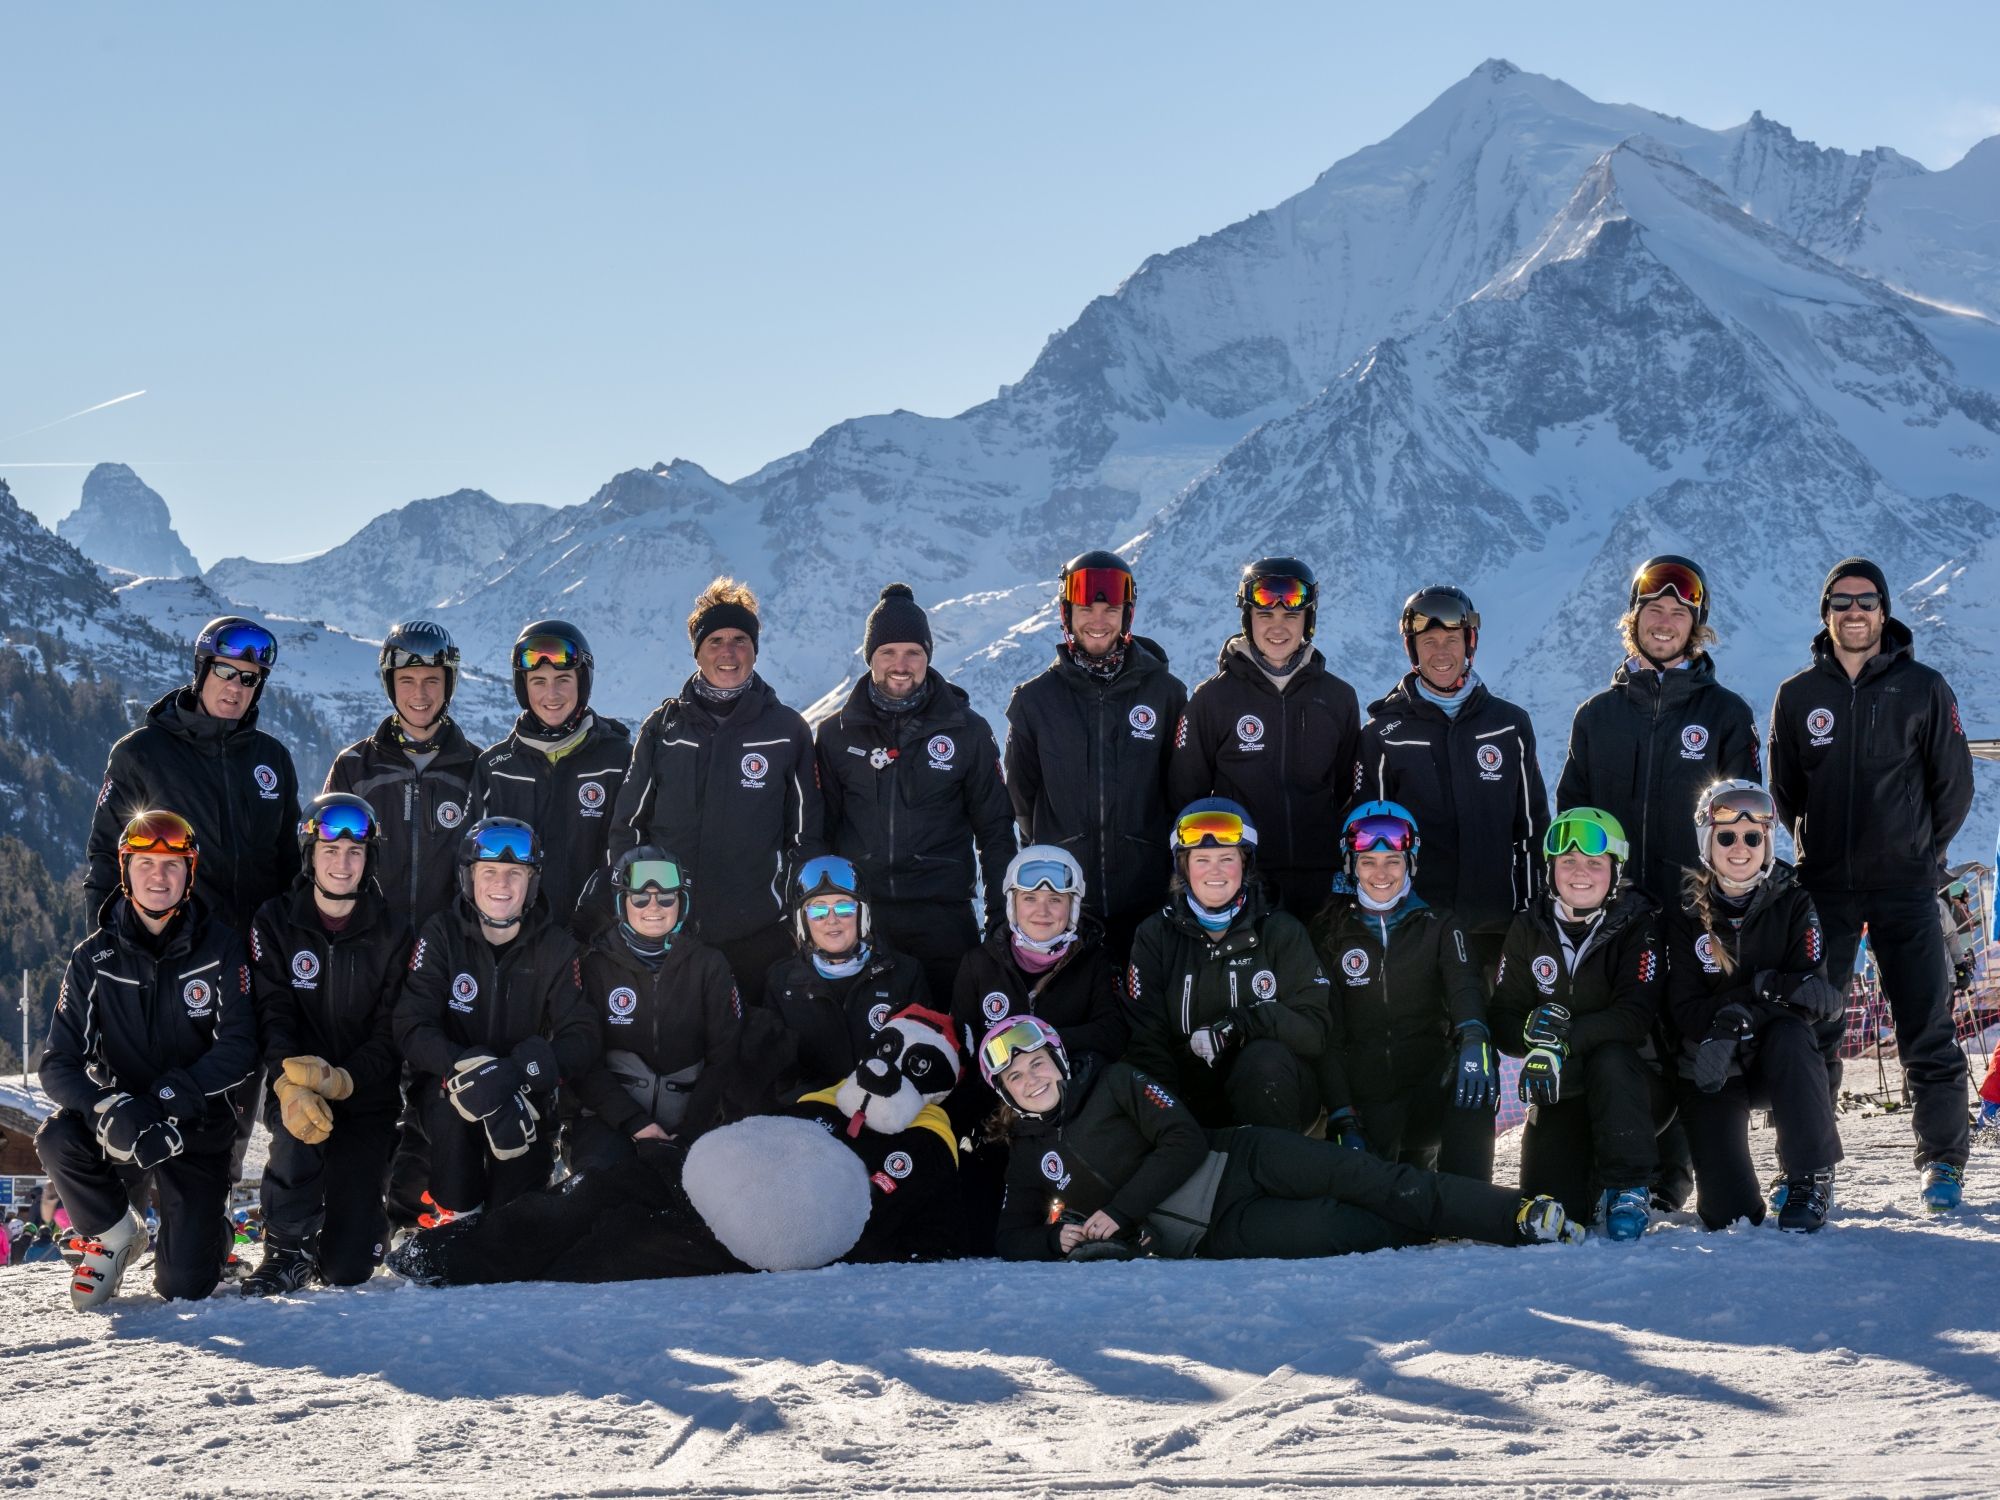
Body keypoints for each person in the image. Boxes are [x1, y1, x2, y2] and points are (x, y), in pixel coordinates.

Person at [387, 1004, 966, 1287]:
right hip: (702, 1178)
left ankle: (520, 1273)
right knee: (589, 1192)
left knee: (613, 1251)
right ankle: (455, 1252)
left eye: (914, 1064)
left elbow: (878, 1215)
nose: (889, 1070)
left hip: (744, 1233)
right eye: (889, 1051)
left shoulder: (926, 1137)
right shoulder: (829, 1096)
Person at [983, 1017, 1581, 1262]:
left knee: (1376, 1180)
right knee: (1341, 1228)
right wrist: (1053, 1238)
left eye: (1037, 1064)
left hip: (1241, 1158)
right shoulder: (1028, 1156)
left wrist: (1117, 1210)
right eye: (1016, 1077)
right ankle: (1446, 1224)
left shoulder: (1114, 1082)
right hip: (1214, 1230)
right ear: (1006, 1094)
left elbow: (1183, 1140)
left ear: (1058, 1061)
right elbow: (1009, 1236)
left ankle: (1517, 1215)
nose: (1032, 1080)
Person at [1769, 558, 1977, 1211]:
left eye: (1866, 601)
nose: (1854, 611)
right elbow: (1786, 791)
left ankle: (1942, 1163)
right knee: (1814, 1031)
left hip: (1905, 887)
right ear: (1826, 612)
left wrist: (1921, 854)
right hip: (1824, 890)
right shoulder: (1798, 695)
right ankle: (1808, 1168)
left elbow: (1954, 785)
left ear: (1884, 611)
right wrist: (1816, 851)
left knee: (1927, 1028)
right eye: (1841, 601)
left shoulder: (1924, 687)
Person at [36, 811, 257, 1308]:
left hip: (195, 1125)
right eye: (145, 864)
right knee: (57, 1137)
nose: (159, 876)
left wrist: (163, 1102)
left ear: (189, 873)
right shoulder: (93, 958)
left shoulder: (221, 947)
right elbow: (58, 1062)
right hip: (122, 1121)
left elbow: (240, 1047)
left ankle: (213, 1233)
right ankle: (113, 1233)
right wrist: (106, 1109)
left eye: (172, 865)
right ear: (126, 871)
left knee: (183, 1287)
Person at [609, 579, 824, 1007]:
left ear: (755, 649)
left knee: (758, 1039)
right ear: (698, 652)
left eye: (740, 640)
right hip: (671, 933)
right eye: (715, 641)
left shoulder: (786, 730)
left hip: (759, 936)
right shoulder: (664, 729)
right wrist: (635, 905)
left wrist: (791, 914)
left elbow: (806, 836)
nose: (728, 652)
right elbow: (628, 827)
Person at [242, 794, 411, 1294]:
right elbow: (273, 1015)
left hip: (367, 1098)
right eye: (330, 850)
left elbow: (392, 1031)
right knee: (297, 1133)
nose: (342, 863)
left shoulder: (394, 931)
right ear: (310, 855)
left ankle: (362, 1216)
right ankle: (286, 1251)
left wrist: (344, 1079)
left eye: (355, 852)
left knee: (347, 1268)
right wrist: (288, 1082)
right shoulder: (275, 922)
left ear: (369, 859)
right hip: (298, 1085)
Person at [815, 583, 1016, 1000]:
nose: (900, 665)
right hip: (862, 919)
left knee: (949, 1027)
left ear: (928, 656)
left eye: (913, 653)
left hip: (943, 918)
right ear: (870, 657)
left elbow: (996, 830)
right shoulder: (836, 734)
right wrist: (819, 914)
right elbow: (821, 833)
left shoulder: (967, 730)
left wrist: (1000, 918)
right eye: (888, 652)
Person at [393, 817, 597, 1226]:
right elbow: (412, 1024)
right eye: (489, 872)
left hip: (525, 1098)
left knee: (513, 1220)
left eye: (514, 873)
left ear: (531, 882)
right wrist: (471, 1068)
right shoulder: (443, 934)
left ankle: (506, 1219)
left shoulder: (556, 948)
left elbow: (582, 1036)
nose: (502, 884)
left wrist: (516, 1073)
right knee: (458, 1111)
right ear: (469, 879)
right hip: (448, 1091)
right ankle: (456, 1217)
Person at [1663, 782, 1846, 1232]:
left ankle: (1810, 1177)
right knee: (1727, 1214)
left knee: (1792, 1036)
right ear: (1708, 842)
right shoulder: (1684, 914)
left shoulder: (1794, 902)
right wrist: (1766, 991)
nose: (1740, 848)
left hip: (1774, 1059)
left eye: (1752, 837)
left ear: (1767, 843)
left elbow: (1808, 999)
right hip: (1713, 1060)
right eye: (1726, 837)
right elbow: (1684, 1008)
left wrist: (1741, 1014)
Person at [1489, 808, 1669, 1241]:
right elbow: (1503, 1015)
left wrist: (1559, 1043)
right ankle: (1590, 1184)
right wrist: (1528, 1033)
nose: (1580, 872)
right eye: (1567, 861)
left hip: (1635, 1089)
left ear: (1615, 870)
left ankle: (1629, 1185)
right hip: (1562, 1090)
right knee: (1551, 1206)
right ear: (1551, 869)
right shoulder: (1529, 926)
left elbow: (1632, 1017)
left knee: (1611, 1057)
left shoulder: (1638, 924)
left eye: (1594, 862)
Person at [1352, 586, 1547, 975]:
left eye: (1452, 640)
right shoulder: (1385, 734)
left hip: (1498, 927)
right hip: (1418, 927)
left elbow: (1531, 829)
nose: (1441, 652)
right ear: (1412, 649)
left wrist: (1530, 915)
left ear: (1469, 643)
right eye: (1429, 642)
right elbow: (1368, 840)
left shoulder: (1508, 725)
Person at [1003, 551, 1188, 959]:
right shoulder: (1035, 701)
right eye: (1086, 609)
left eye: (1111, 610)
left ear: (1127, 614)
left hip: (1148, 900)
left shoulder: (1166, 693)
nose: (1098, 621)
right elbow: (1021, 800)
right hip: (1066, 905)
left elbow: (1180, 792)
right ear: (1067, 614)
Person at [946, 845, 1130, 1252]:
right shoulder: (979, 964)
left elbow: (1112, 1034)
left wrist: (1037, 1040)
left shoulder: (1095, 960)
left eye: (1055, 900)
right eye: (1030, 898)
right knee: (979, 1238)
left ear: (1073, 906)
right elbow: (963, 1049)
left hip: (1068, 1118)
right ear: (1012, 903)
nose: (1042, 911)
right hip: (998, 1118)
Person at [1309, 802, 1496, 1182]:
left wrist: (1474, 1035)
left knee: (1475, 1066)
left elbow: (1465, 986)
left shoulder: (1440, 925)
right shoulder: (1329, 934)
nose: (1381, 873)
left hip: (1429, 1094)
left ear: (1410, 863)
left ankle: (1469, 1197)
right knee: (1390, 1205)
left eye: (1392, 861)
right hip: (1367, 1108)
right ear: (1350, 865)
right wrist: (1342, 1114)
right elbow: (1328, 1033)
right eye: (1368, 862)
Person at [1557, 558, 1759, 907]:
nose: (1665, 623)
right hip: (1613, 911)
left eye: (1679, 613)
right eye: (1654, 610)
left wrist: (1729, 907)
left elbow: (1747, 823)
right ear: (1634, 618)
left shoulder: (1726, 714)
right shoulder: (1595, 716)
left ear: (1695, 626)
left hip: (1697, 911)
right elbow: (1573, 820)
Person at [1167, 558, 1360, 919]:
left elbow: (1348, 792)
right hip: (1244, 883)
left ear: (1308, 620)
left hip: (1323, 882)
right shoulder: (1213, 699)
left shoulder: (1338, 697)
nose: (1278, 627)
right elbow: (1186, 797)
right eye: (1265, 615)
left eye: (1291, 615)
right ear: (1248, 619)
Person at [1123, 799, 1332, 1132]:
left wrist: (1244, 1023)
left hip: (1271, 1094)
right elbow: (1146, 1040)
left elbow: (1313, 1033)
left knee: (1265, 1061)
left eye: (1227, 859)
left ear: (1245, 864)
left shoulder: (1280, 930)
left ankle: (1275, 1162)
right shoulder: (1155, 935)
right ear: (1183, 868)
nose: (1215, 871)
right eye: (1202, 860)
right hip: (1190, 1100)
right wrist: (1173, 1125)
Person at [85, 615, 300, 937]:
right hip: (176, 948)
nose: (235, 687)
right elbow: (106, 858)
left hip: (261, 948)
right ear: (201, 671)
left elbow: (291, 860)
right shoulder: (142, 753)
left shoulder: (272, 758)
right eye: (224, 671)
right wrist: (104, 951)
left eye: (248, 679)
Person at [569, 846, 745, 1172]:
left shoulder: (709, 965)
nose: (654, 907)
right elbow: (582, 1060)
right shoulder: (594, 966)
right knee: (600, 1178)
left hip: (691, 1119)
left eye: (666, 898)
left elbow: (724, 1056)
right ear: (622, 903)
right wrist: (636, 1123)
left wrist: (690, 1130)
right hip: (612, 1117)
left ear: (681, 903)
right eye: (640, 898)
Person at [472, 621, 632, 931]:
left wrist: (599, 920)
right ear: (523, 687)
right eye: (538, 681)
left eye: (563, 679)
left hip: (598, 938)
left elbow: (631, 851)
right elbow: (471, 863)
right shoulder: (495, 768)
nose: (551, 694)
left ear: (582, 682)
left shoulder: (618, 760)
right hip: (518, 939)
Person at [325, 620, 479, 930]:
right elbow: (325, 856)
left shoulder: (476, 767)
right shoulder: (354, 766)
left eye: (432, 680)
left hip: (450, 944)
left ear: (449, 684)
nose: (419, 694)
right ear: (390, 684)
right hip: (370, 941)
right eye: (407, 680)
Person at [758, 855, 933, 1103]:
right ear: (803, 920)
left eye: (844, 908)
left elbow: (923, 1060)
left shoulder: (904, 973)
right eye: (818, 910)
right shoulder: (782, 982)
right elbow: (778, 1074)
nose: (832, 920)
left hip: (887, 1110)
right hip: (811, 1112)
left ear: (862, 914)